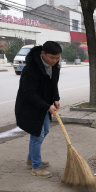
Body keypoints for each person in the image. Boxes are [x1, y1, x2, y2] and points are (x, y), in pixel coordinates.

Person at [15, 41, 62, 179]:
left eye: (57, 58)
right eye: (52, 58)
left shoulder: (54, 66)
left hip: (44, 105)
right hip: (30, 106)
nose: (54, 61)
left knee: (45, 131)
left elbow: (54, 84)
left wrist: (56, 99)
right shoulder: (31, 68)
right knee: (37, 135)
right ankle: (36, 166)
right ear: (43, 54)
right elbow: (28, 92)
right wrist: (47, 106)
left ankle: (31, 159)